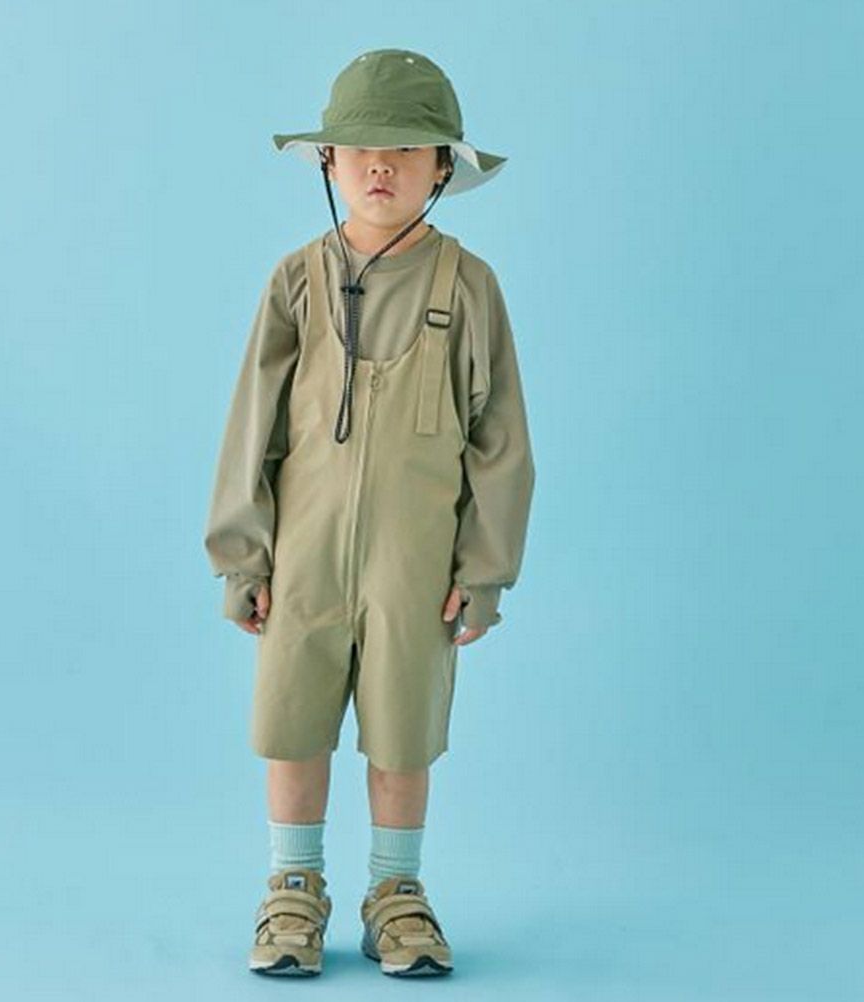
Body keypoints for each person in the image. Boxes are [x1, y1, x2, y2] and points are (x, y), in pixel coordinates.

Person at [203, 48, 535, 978]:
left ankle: (396, 892)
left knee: (402, 732)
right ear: (329, 163)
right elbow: (253, 427)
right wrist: (243, 557)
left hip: (414, 568)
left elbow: (501, 442)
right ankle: (292, 887)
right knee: (293, 722)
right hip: (302, 558)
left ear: (442, 170)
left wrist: (483, 572)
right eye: (359, 151)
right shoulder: (296, 282)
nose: (380, 167)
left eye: (406, 149)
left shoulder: (468, 287)